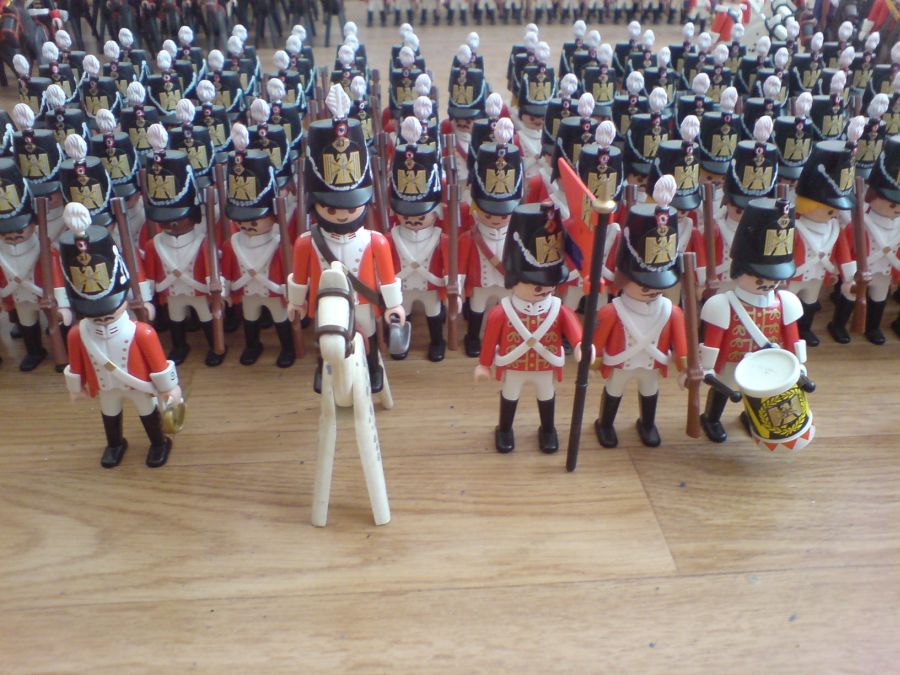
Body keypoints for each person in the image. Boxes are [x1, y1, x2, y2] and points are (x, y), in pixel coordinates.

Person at [61, 202, 183, 468]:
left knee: (147, 412)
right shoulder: (79, 334)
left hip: (138, 384)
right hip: (105, 386)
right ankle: (115, 444)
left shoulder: (142, 332)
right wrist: (75, 387)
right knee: (109, 414)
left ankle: (159, 443)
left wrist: (169, 387)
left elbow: (158, 364)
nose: (102, 317)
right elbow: (76, 363)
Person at [475, 202, 587, 454]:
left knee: (546, 397)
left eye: (550, 284)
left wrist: (581, 345)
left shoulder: (558, 308)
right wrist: (484, 364)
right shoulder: (502, 312)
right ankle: (505, 429)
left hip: (544, 364)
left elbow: (573, 330)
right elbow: (490, 339)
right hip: (514, 364)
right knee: (510, 396)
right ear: (515, 280)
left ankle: (547, 429)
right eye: (536, 285)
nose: (544, 290)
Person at [699, 198, 806, 443]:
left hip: (767, 360)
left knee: (761, 391)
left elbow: (792, 337)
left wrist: (799, 365)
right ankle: (711, 418)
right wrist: (708, 367)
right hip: (732, 359)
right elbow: (713, 341)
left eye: (774, 279)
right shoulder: (723, 305)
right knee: (722, 390)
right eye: (760, 278)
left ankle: (753, 416)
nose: (768, 284)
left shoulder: (785, 302)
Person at [592, 175, 687, 448]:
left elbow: (680, 344)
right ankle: (605, 424)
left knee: (649, 392)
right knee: (614, 391)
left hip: (651, 363)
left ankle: (647, 423)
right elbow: (600, 338)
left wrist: (684, 366)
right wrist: (595, 358)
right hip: (621, 361)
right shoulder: (613, 311)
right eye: (645, 284)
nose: (653, 290)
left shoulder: (671, 311)